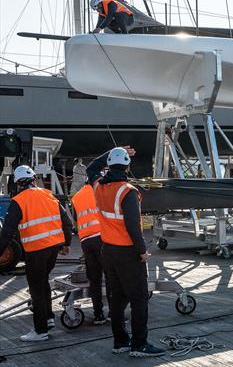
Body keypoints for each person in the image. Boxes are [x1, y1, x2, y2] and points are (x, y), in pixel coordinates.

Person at [87, 147, 165, 357]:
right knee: (139, 298)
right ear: (127, 167)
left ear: (109, 166)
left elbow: (91, 167)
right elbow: (132, 225)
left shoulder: (98, 187)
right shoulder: (127, 191)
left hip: (108, 251)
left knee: (117, 298)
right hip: (128, 252)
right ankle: (140, 344)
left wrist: (109, 152)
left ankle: (120, 342)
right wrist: (142, 251)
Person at [0, 166, 73, 341]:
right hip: (53, 249)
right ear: (34, 179)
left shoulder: (19, 201)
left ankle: (40, 331)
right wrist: (66, 244)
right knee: (43, 283)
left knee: (36, 289)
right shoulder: (49, 195)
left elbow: (7, 231)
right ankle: (48, 318)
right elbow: (67, 223)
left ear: (18, 183)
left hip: (35, 251)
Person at [70, 181, 108, 325]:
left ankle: (98, 314)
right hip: (102, 237)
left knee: (94, 279)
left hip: (86, 240)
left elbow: (75, 217)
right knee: (111, 276)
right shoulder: (100, 191)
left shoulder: (77, 196)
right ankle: (114, 313)